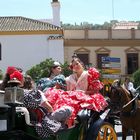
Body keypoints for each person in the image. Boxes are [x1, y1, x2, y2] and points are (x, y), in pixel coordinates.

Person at [44, 57, 108, 127]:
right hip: (73, 98)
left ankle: (70, 122)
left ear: (81, 64)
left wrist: (84, 92)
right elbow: (66, 90)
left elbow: (96, 90)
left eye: (77, 64)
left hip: (87, 97)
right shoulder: (69, 78)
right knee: (60, 98)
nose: (75, 66)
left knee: (70, 102)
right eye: (73, 65)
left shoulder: (89, 74)